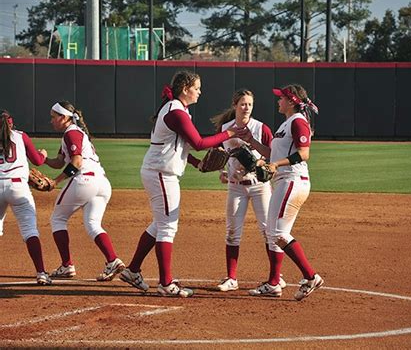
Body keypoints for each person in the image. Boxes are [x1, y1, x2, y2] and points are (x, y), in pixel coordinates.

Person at [119, 70, 242, 297]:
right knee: (167, 226)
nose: (199, 92)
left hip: (159, 171)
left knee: (160, 223)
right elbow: (198, 142)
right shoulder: (176, 111)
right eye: (196, 87)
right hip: (161, 174)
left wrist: (195, 164)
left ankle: (133, 270)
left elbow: (183, 146)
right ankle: (166, 284)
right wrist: (229, 134)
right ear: (185, 89)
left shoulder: (178, 109)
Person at [245, 84, 324, 301]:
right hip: (283, 181)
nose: (278, 101)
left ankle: (310, 276)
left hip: (292, 180)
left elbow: (304, 154)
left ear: (291, 101)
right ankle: (273, 283)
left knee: (278, 233)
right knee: (274, 233)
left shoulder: (298, 122)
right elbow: (272, 154)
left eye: (281, 98)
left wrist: (276, 164)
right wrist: (253, 144)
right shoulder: (287, 123)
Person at [210, 89, 287, 292]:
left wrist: (259, 162)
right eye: (243, 104)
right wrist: (221, 171)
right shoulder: (225, 128)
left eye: (250, 104)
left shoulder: (261, 128)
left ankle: (276, 278)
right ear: (235, 105)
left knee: (268, 232)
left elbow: (273, 154)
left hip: (259, 187)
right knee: (232, 232)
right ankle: (231, 278)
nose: (246, 108)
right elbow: (217, 152)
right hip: (235, 188)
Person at [44, 101, 125, 281]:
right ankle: (112, 260)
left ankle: (66, 266)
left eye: (53, 117)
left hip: (84, 180)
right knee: (93, 224)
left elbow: (77, 163)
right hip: (102, 182)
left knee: (57, 219)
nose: (51, 121)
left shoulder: (71, 133)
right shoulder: (72, 133)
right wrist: (44, 159)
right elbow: (59, 161)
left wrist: (56, 181)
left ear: (64, 118)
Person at [0, 110, 52, 285]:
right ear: (11, 122)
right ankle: (41, 273)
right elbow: (37, 161)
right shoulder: (21, 136)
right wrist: (43, 154)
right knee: (30, 231)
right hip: (18, 188)